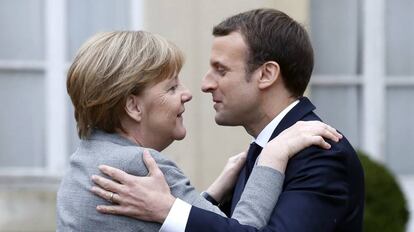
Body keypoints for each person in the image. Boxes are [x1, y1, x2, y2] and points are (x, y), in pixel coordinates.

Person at [90, 8, 365, 232]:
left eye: (221, 70)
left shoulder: (321, 154)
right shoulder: (262, 151)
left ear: (266, 74)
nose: (205, 85)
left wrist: (167, 208)